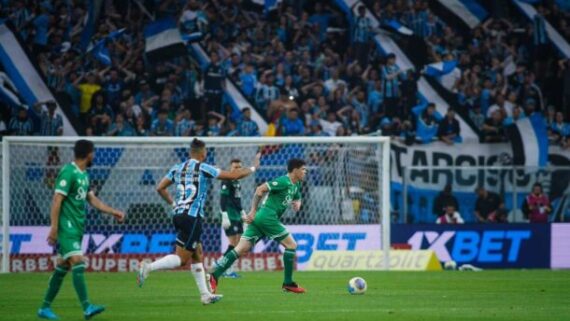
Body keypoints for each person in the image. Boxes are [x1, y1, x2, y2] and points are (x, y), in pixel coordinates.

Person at [137, 139, 260, 304]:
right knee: (181, 259)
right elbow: (233, 175)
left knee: (198, 253)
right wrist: (253, 168)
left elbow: (160, 188)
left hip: (179, 215)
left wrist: (174, 204)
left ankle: (205, 295)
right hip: (192, 217)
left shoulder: (177, 168)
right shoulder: (203, 167)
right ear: (203, 153)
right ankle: (148, 267)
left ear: (190, 152)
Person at [37, 140, 125, 320]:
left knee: (63, 266)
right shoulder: (68, 172)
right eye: (93, 152)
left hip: (77, 227)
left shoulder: (84, 175)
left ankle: (44, 308)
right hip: (66, 226)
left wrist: (114, 212)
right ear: (88, 153)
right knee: (78, 261)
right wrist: (54, 228)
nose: (94, 156)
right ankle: (87, 307)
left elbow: (93, 201)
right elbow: (57, 200)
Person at [209, 159, 307, 294]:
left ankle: (215, 275)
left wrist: (298, 202)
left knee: (241, 249)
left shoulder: (295, 184)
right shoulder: (283, 181)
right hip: (267, 217)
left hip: (261, 219)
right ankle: (288, 283)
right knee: (291, 245)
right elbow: (260, 189)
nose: (305, 172)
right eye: (303, 169)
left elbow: (297, 196)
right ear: (295, 170)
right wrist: (253, 210)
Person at [217, 159, 248, 278]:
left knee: (239, 243)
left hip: (236, 215)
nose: (237, 169)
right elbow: (223, 198)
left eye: (239, 167)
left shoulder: (237, 182)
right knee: (233, 243)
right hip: (229, 215)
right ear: (230, 168)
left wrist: (242, 212)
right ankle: (226, 268)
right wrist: (224, 214)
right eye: (235, 167)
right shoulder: (227, 180)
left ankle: (222, 264)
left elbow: (236, 200)